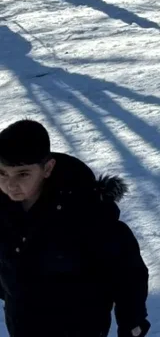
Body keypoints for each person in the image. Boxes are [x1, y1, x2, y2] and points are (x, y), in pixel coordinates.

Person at [0, 120, 151, 337]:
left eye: (23, 174)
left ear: (47, 168)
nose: (10, 184)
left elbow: (127, 270)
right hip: (22, 324)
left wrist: (132, 321)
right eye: (3, 173)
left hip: (79, 325)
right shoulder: (2, 209)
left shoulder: (84, 210)